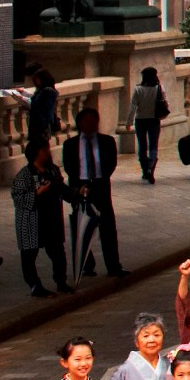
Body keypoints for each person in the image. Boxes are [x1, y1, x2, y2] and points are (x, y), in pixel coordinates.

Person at [60, 107, 124, 280]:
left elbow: (110, 165)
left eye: (94, 120)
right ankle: (86, 264)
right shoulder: (70, 145)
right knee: (82, 227)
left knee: (108, 229)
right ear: (80, 123)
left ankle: (113, 265)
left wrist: (96, 183)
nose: (92, 124)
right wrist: (81, 187)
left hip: (101, 189)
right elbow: (69, 167)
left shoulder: (107, 141)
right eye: (87, 121)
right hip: (80, 190)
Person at [13, 140, 71, 297]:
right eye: (45, 149)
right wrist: (37, 193)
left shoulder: (52, 170)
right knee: (29, 255)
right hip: (31, 221)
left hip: (51, 219)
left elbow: (62, 189)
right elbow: (18, 200)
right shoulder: (23, 175)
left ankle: (61, 282)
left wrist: (76, 196)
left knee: (58, 252)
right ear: (37, 153)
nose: (48, 152)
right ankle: (34, 285)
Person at [130, 66, 169, 183]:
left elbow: (133, 107)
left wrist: (128, 122)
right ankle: (151, 168)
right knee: (153, 145)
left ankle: (145, 169)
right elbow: (166, 103)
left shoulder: (138, 89)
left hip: (140, 120)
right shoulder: (159, 88)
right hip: (154, 120)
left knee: (142, 146)